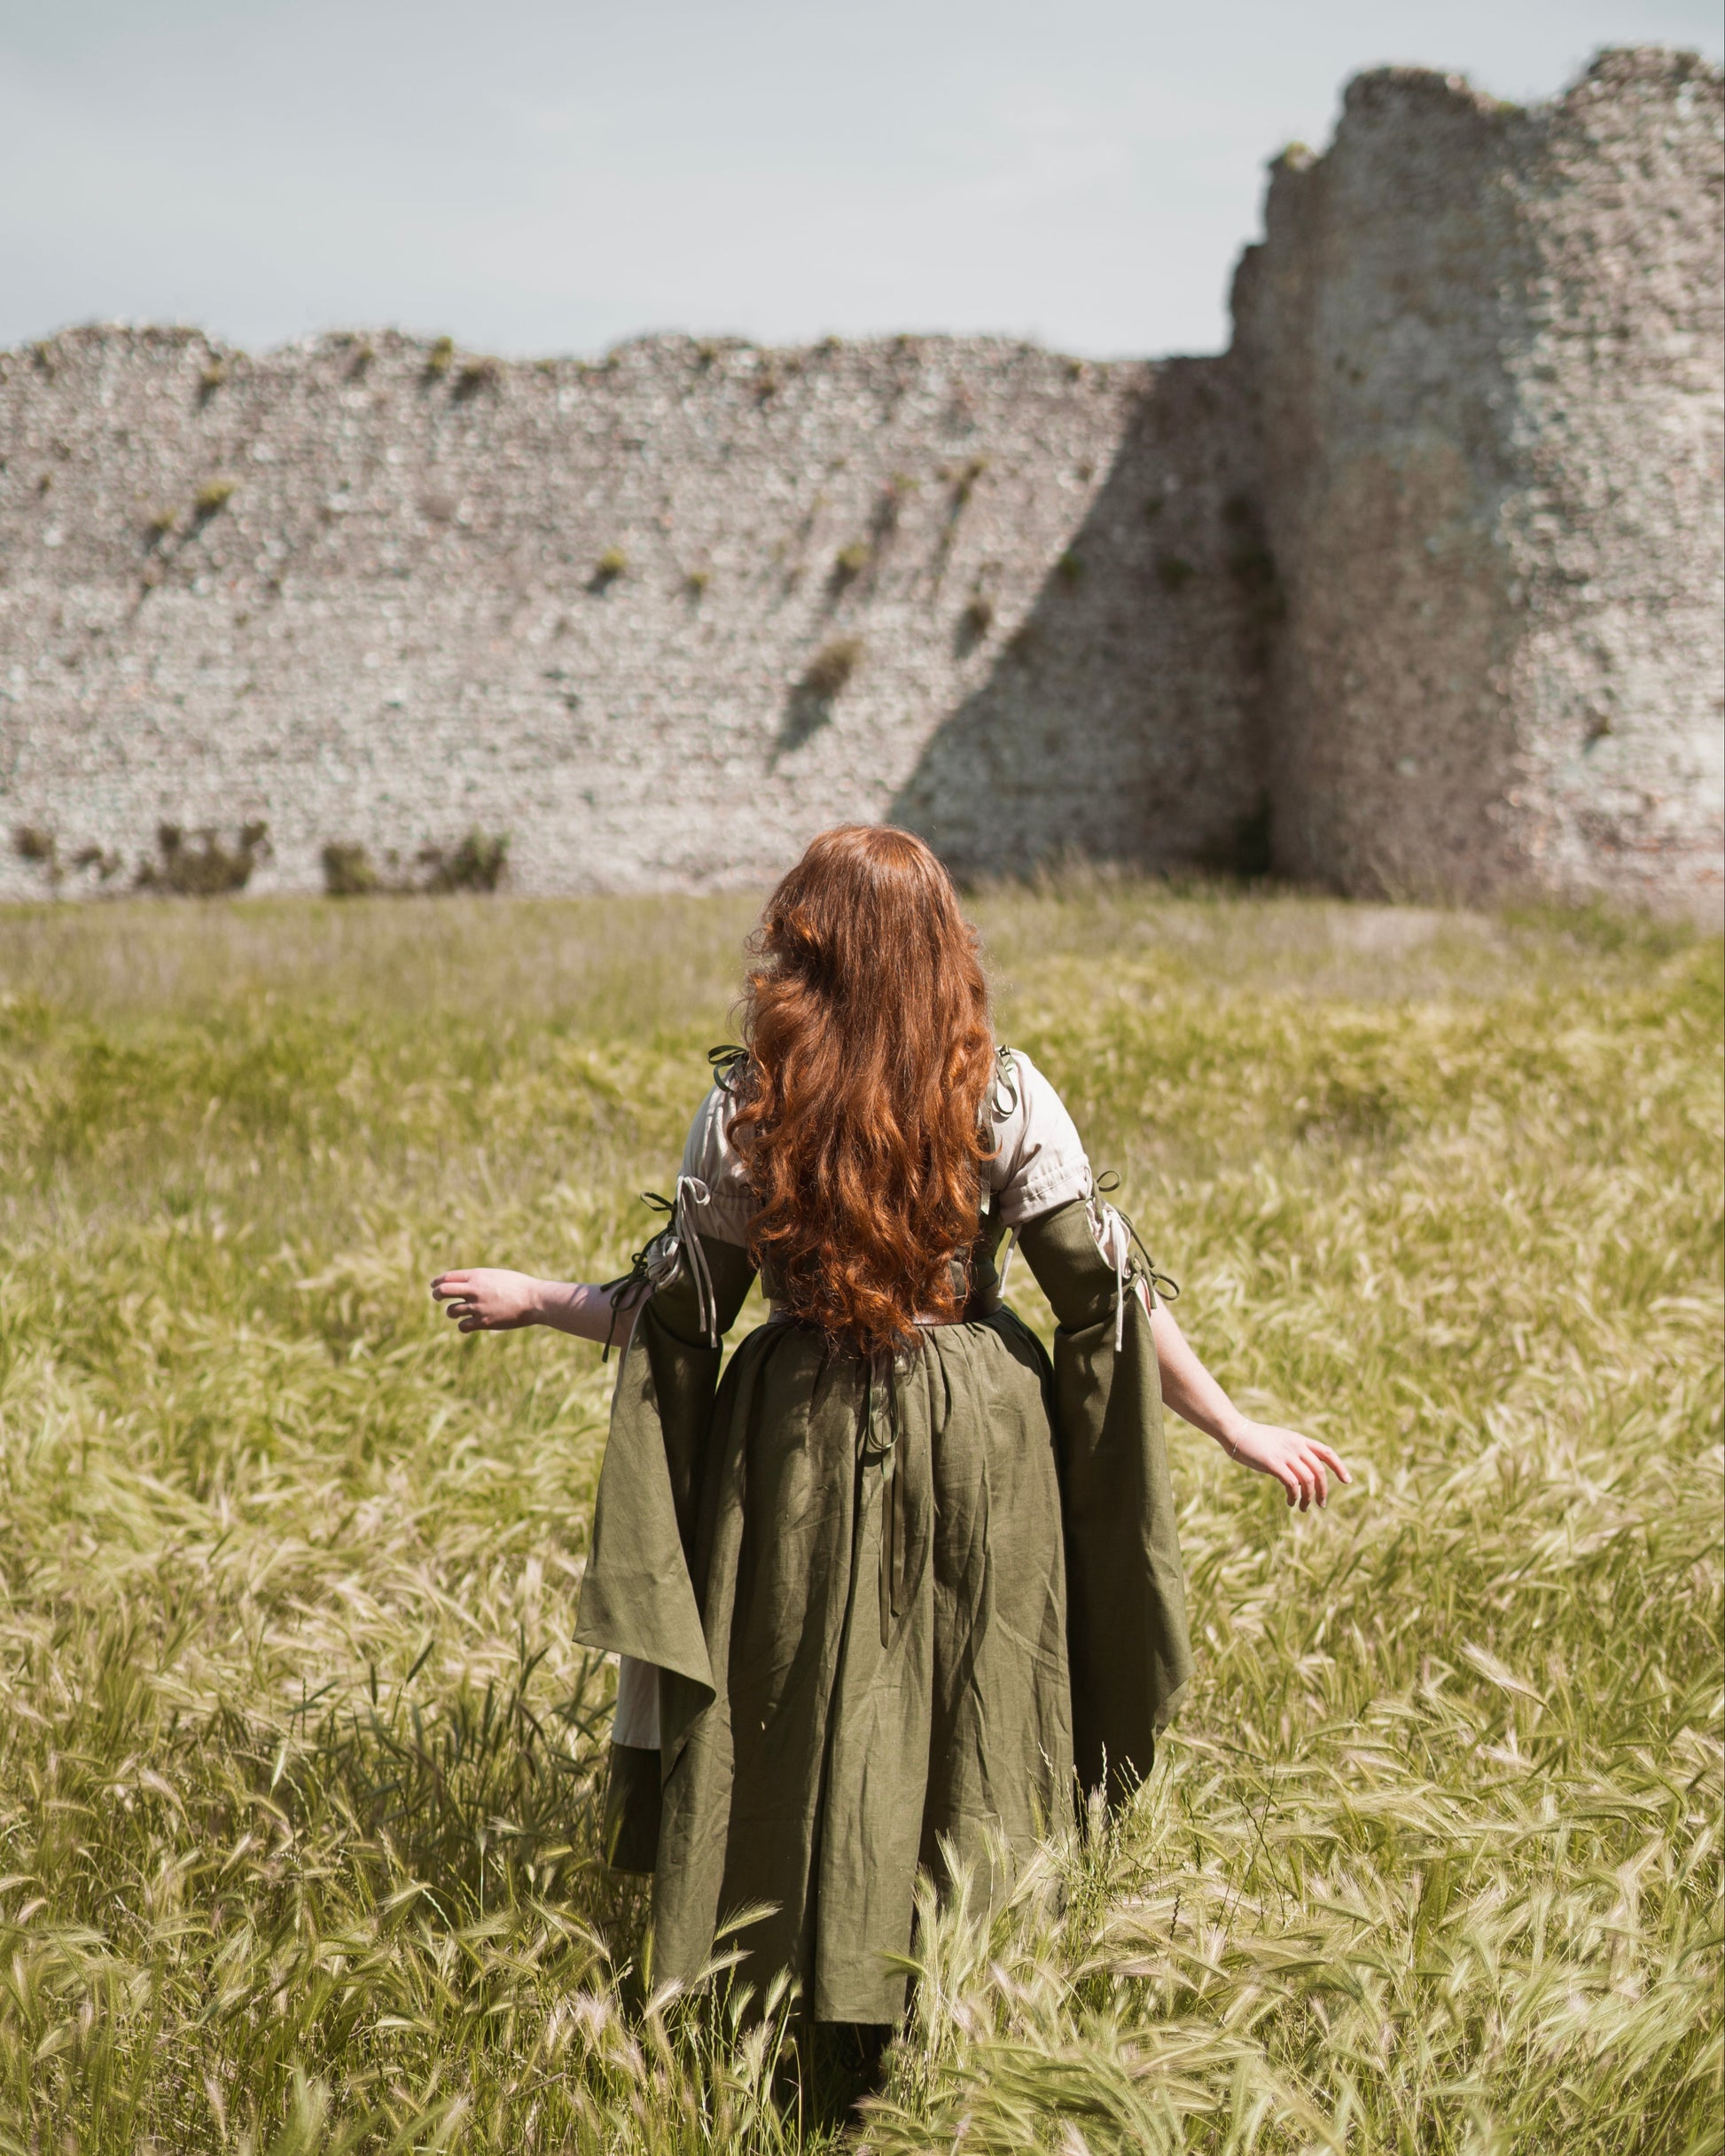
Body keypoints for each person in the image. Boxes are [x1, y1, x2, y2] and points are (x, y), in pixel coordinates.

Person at [431, 825, 1346, 2027]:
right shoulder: (1000, 1088)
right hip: (982, 1435)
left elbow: (682, 1314)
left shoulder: (750, 1102)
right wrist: (1229, 1422)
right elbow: (1102, 1299)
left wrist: (538, 1300)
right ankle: (968, 1994)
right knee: (975, 1698)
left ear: (803, 952)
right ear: (939, 947)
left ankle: (787, 1996)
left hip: (797, 1432)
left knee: (803, 1703)